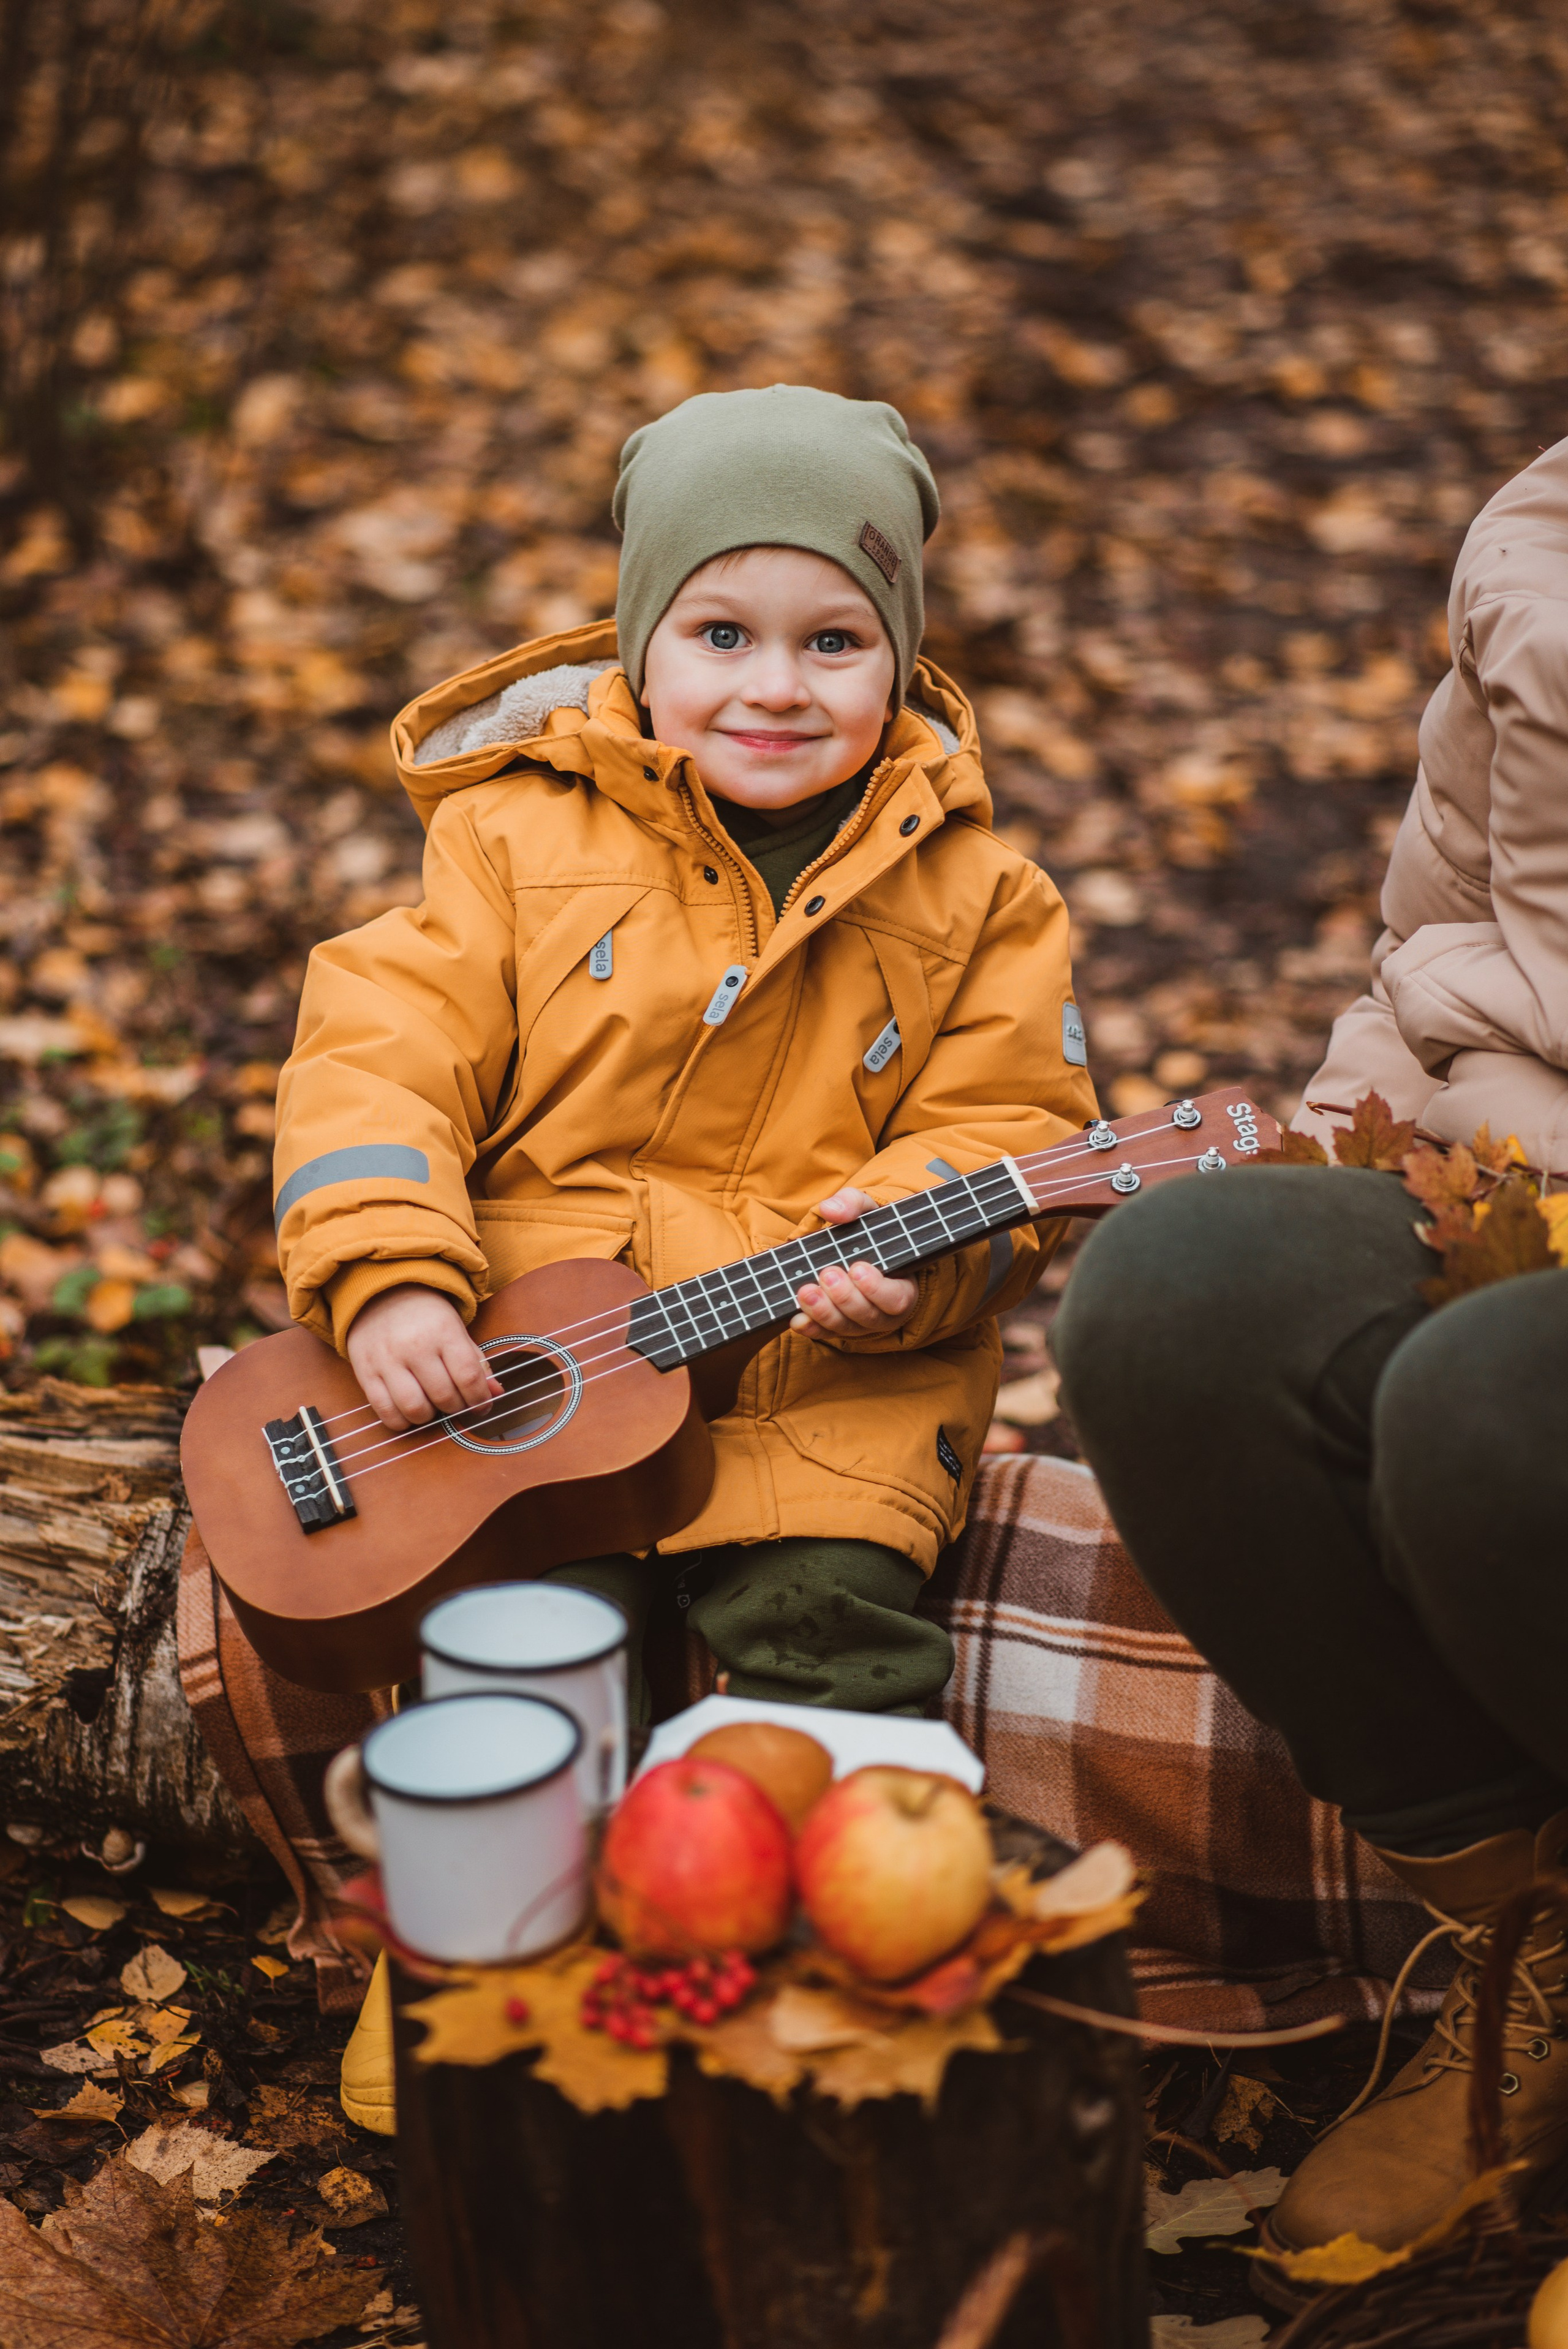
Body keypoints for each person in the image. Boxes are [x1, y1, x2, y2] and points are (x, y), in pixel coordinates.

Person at [271, 383, 1095, 2126]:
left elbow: (1009, 1126)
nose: (776, 685)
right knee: (517, 1627)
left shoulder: (982, 899)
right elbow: (377, 1058)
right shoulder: (512, 838)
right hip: (542, 1346)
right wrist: (394, 1270)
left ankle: (814, 1956)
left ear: (901, 659)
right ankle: (472, 1953)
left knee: (835, 1618)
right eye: (722, 633)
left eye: (834, 641)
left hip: (813, 1362)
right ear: (641, 644)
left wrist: (919, 1267)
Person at [1053, 437, 1568, 2258]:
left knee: (1486, 1405)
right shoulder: (1546, 544)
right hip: (1528, 1169)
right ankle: (1529, 1957)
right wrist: (1344, 1159)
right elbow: (1437, 941)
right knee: (1182, 1295)